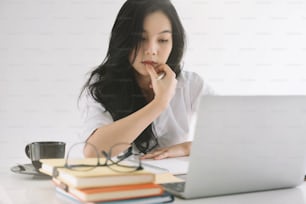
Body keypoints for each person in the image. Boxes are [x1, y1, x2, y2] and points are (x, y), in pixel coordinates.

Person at [79, 0, 214, 160]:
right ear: (123, 41)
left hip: (173, 180)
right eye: (141, 38)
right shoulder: (103, 83)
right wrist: (160, 103)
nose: (151, 50)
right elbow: (93, 152)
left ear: (173, 43)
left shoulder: (191, 84)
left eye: (162, 40)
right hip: (122, 181)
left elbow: (234, 132)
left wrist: (185, 148)